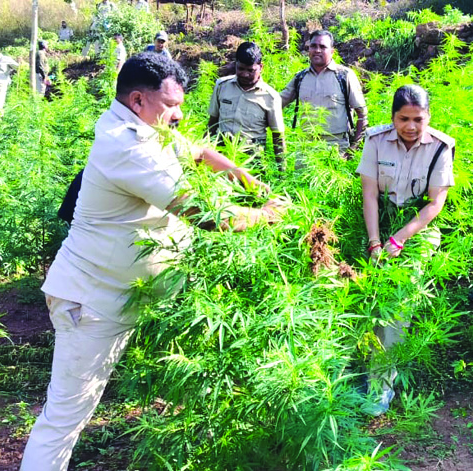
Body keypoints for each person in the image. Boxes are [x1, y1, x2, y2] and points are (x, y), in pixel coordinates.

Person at [19, 52, 287, 471]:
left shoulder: (147, 128)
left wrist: (252, 184)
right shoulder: (125, 145)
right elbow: (205, 215)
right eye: (171, 105)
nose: (179, 115)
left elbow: (199, 153)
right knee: (65, 419)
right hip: (94, 303)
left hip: (137, 296)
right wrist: (266, 215)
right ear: (138, 100)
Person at [356, 84, 454, 415]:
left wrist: (400, 238)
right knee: (365, 296)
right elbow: (369, 194)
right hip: (378, 219)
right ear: (393, 117)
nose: (411, 127)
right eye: (403, 119)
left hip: (417, 228)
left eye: (418, 119)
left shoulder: (441, 147)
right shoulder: (375, 140)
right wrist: (374, 241)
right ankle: (355, 371)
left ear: (428, 117)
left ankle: (380, 386)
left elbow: (435, 203)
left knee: (397, 305)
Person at [281, 30, 367, 153]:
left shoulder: (344, 76)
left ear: (332, 51)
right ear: (308, 49)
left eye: (322, 47)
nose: (317, 50)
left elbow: (362, 115)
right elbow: (276, 103)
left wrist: (352, 150)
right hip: (306, 148)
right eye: (313, 46)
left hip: (337, 147)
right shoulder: (300, 77)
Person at [207, 42, 285, 170]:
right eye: (240, 69)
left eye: (250, 70)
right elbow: (212, 123)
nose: (244, 74)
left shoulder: (271, 97)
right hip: (222, 154)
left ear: (261, 67)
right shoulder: (222, 86)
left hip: (252, 159)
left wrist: (281, 171)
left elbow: (277, 137)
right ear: (235, 64)